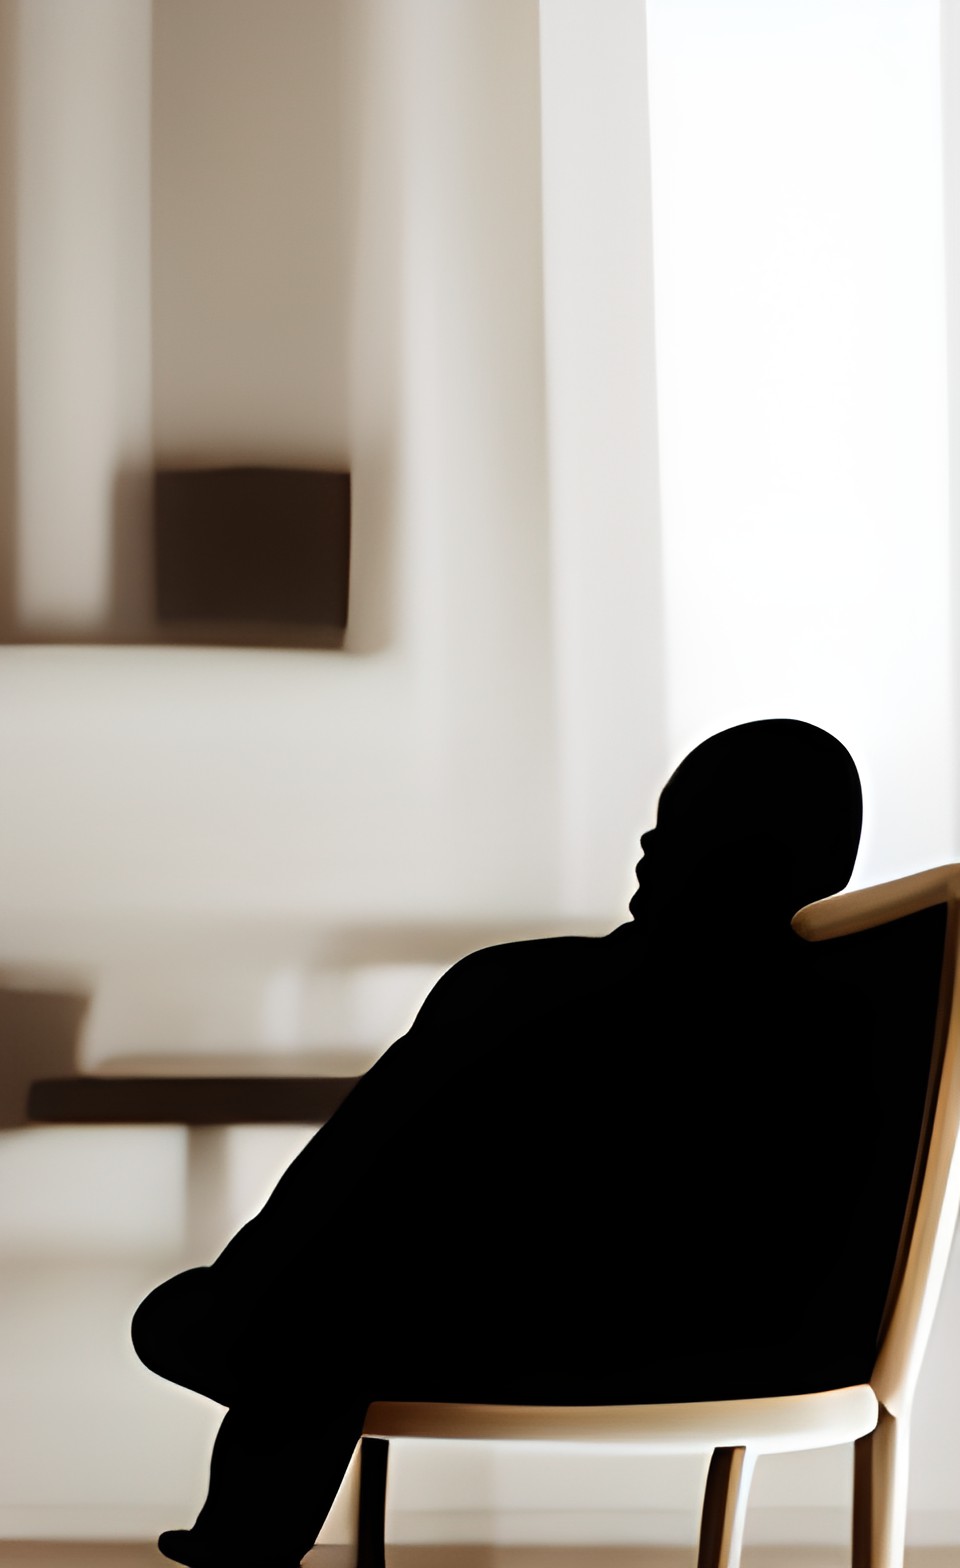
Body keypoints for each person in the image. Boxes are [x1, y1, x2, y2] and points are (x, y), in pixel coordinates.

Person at [133, 717, 924, 1568]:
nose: (649, 846)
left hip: (636, 1334)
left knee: (328, 1288)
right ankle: (262, 1336)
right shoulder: (880, 1001)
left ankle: (252, 1323)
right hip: (789, 1334)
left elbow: (368, 1174)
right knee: (354, 1277)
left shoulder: (548, 988)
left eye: (683, 823)